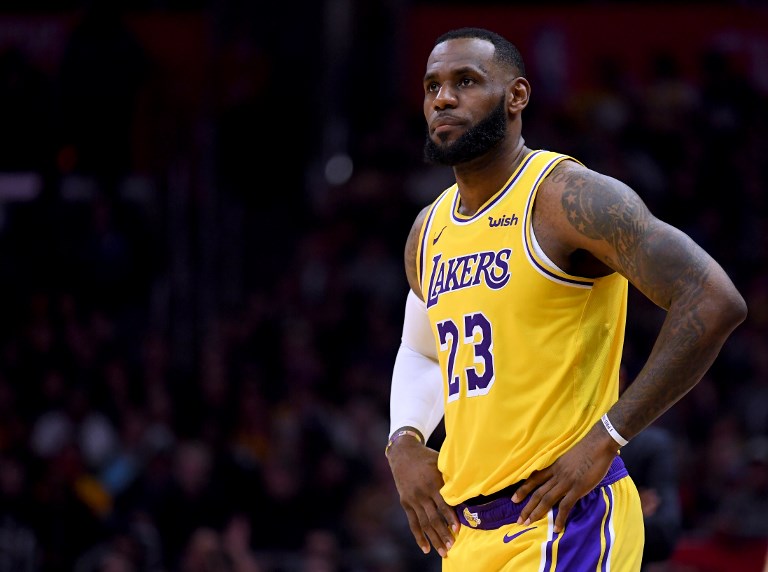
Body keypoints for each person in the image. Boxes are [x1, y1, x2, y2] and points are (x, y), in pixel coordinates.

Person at [384, 27, 747, 571]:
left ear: (517, 96)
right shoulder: (428, 228)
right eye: (432, 85)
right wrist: (404, 441)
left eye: (466, 81)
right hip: (469, 536)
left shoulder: (566, 198)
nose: (444, 98)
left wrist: (609, 435)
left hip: (567, 521)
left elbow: (714, 297)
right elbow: (421, 349)